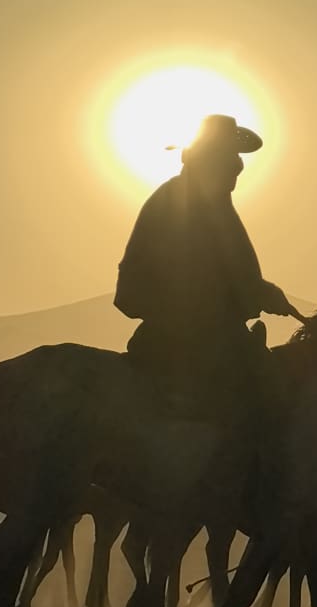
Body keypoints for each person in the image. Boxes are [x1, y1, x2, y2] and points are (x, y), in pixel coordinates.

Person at [114, 113, 296, 420]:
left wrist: (262, 291)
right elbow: (205, 274)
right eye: (230, 161)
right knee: (267, 399)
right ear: (212, 160)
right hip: (188, 338)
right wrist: (259, 292)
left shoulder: (209, 204)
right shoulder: (182, 203)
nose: (236, 171)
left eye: (237, 163)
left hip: (207, 334)